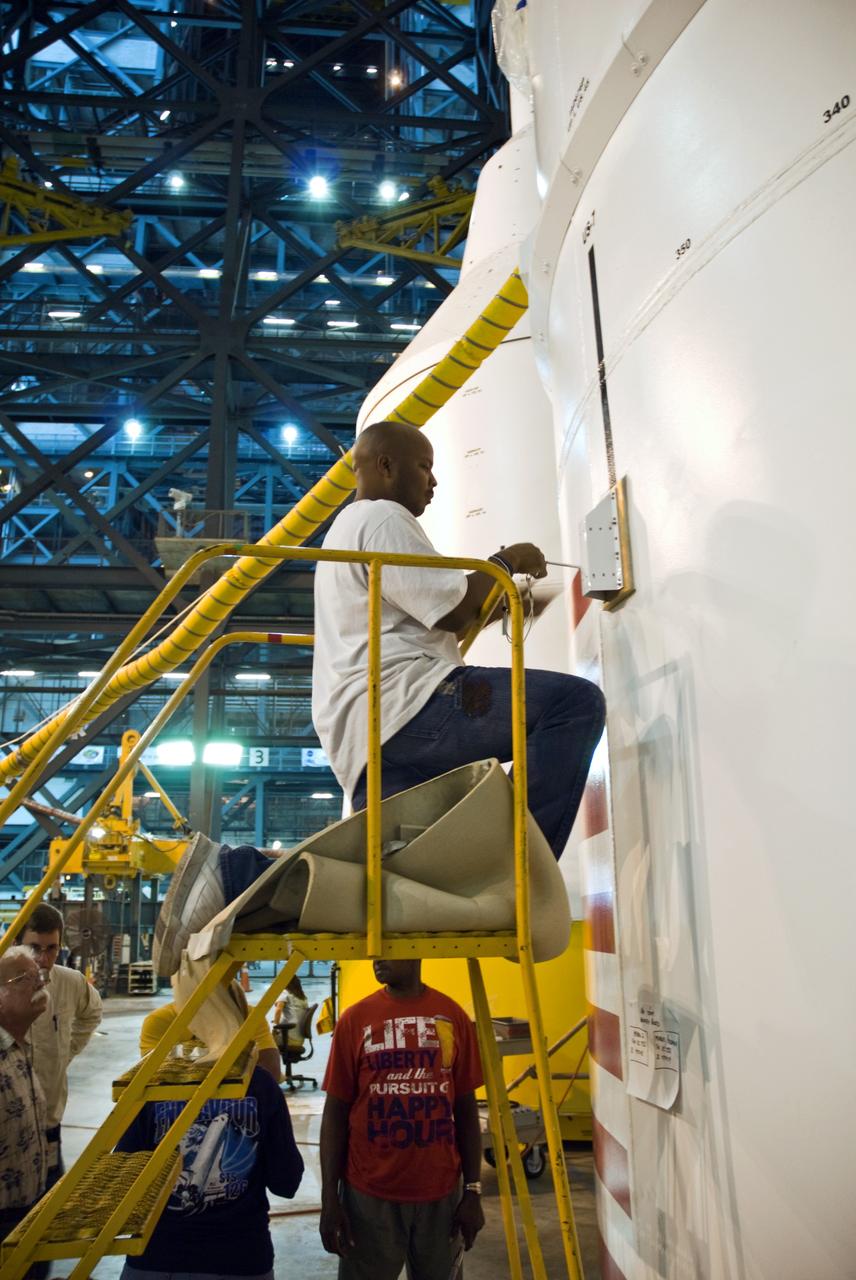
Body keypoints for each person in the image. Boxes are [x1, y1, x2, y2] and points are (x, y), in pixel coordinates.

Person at [152, 420, 605, 974]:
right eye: (424, 466)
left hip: (366, 736)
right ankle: (519, 873)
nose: (434, 481)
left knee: (389, 895)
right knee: (573, 705)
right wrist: (506, 562)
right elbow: (456, 608)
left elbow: (430, 617)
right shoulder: (381, 517)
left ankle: (232, 876)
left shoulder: (345, 532)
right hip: (409, 702)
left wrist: (502, 601)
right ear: (385, 465)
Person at [319, 958, 484, 1280]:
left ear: (414, 952)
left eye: (387, 950)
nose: (377, 959)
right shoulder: (356, 1019)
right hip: (369, 1195)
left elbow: (465, 1110)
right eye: (373, 951)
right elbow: (335, 1114)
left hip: (442, 1194)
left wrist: (473, 1191)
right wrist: (330, 1199)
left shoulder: (451, 1016)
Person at [116, 1049, 304, 1280]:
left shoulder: (152, 1084)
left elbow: (122, 1180)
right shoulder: (260, 1085)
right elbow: (286, 1182)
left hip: (157, 1256)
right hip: (239, 1257)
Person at [16, 902, 103, 1188]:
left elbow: (92, 1013)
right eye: (34, 948)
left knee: (48, 1204)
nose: (43, 958)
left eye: (51, 948)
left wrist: (65, 1052)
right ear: (17, 943)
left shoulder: (70, 983)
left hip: (48, 1121)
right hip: (8, 1128)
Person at [0, 946, 50, 1279]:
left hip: (30, 1209)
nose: (39, 983)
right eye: (25, 978)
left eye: (39, 976)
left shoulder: (18, 1047)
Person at [139, 995, 283, 1083]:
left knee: (267, 1090)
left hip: (237, 1101)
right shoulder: (161, 1020)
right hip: (176, 1103)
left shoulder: (248, 1015)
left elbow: (272, 1072)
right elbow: (151, 1076)